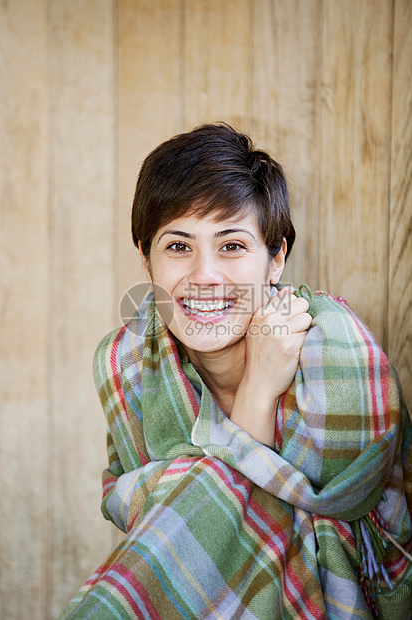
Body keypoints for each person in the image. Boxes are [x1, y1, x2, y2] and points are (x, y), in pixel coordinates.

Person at [59, 123, 412, 619]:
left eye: (232, 246)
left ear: (275, 259)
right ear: (146, 261)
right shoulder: (131, 362)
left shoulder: (335, 348)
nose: (204, 275)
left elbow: (232, 518)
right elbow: (144, 506)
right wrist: (258, 392)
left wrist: (188, 478)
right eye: (178, 247)